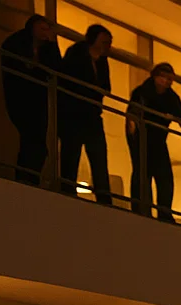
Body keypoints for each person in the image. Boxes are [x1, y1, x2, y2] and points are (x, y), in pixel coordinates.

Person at [0, 14, 61, 185]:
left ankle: (31, 178)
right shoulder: (16, 41)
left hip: (38, 99)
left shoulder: (48, 48)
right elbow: (12, 63)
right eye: (43, 29)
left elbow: (57, 69)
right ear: (32, 28)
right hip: (20, 96)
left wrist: (52, 43)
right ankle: (24, 178)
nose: (45, 33)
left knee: (39, 144)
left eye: (48, 29)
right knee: (30, 139)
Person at [56, 25, 113, 205]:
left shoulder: (102, 60)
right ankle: (67, 190)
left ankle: (104, 197)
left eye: (108, 43)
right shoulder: (77, 53)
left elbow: (106, 87)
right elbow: (67, 79)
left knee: (99, 156)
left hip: (93, 114)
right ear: (93, 39)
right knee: (71, 153)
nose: (107, 46)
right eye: (104, 41)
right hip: (74, 113)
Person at [125, 62, 181, 223]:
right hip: (141, 138)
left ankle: (164, 212)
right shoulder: (143, 92)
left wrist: (173, 118)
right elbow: (132, 112)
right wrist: (132, 125)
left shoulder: (171, 97)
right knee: (142, 172)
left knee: (164, 177)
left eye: (169, 79)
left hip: (158, 140)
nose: (166, 82)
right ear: (155, 77)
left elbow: (180, 117)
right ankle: (141, 208)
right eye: (163, 77)